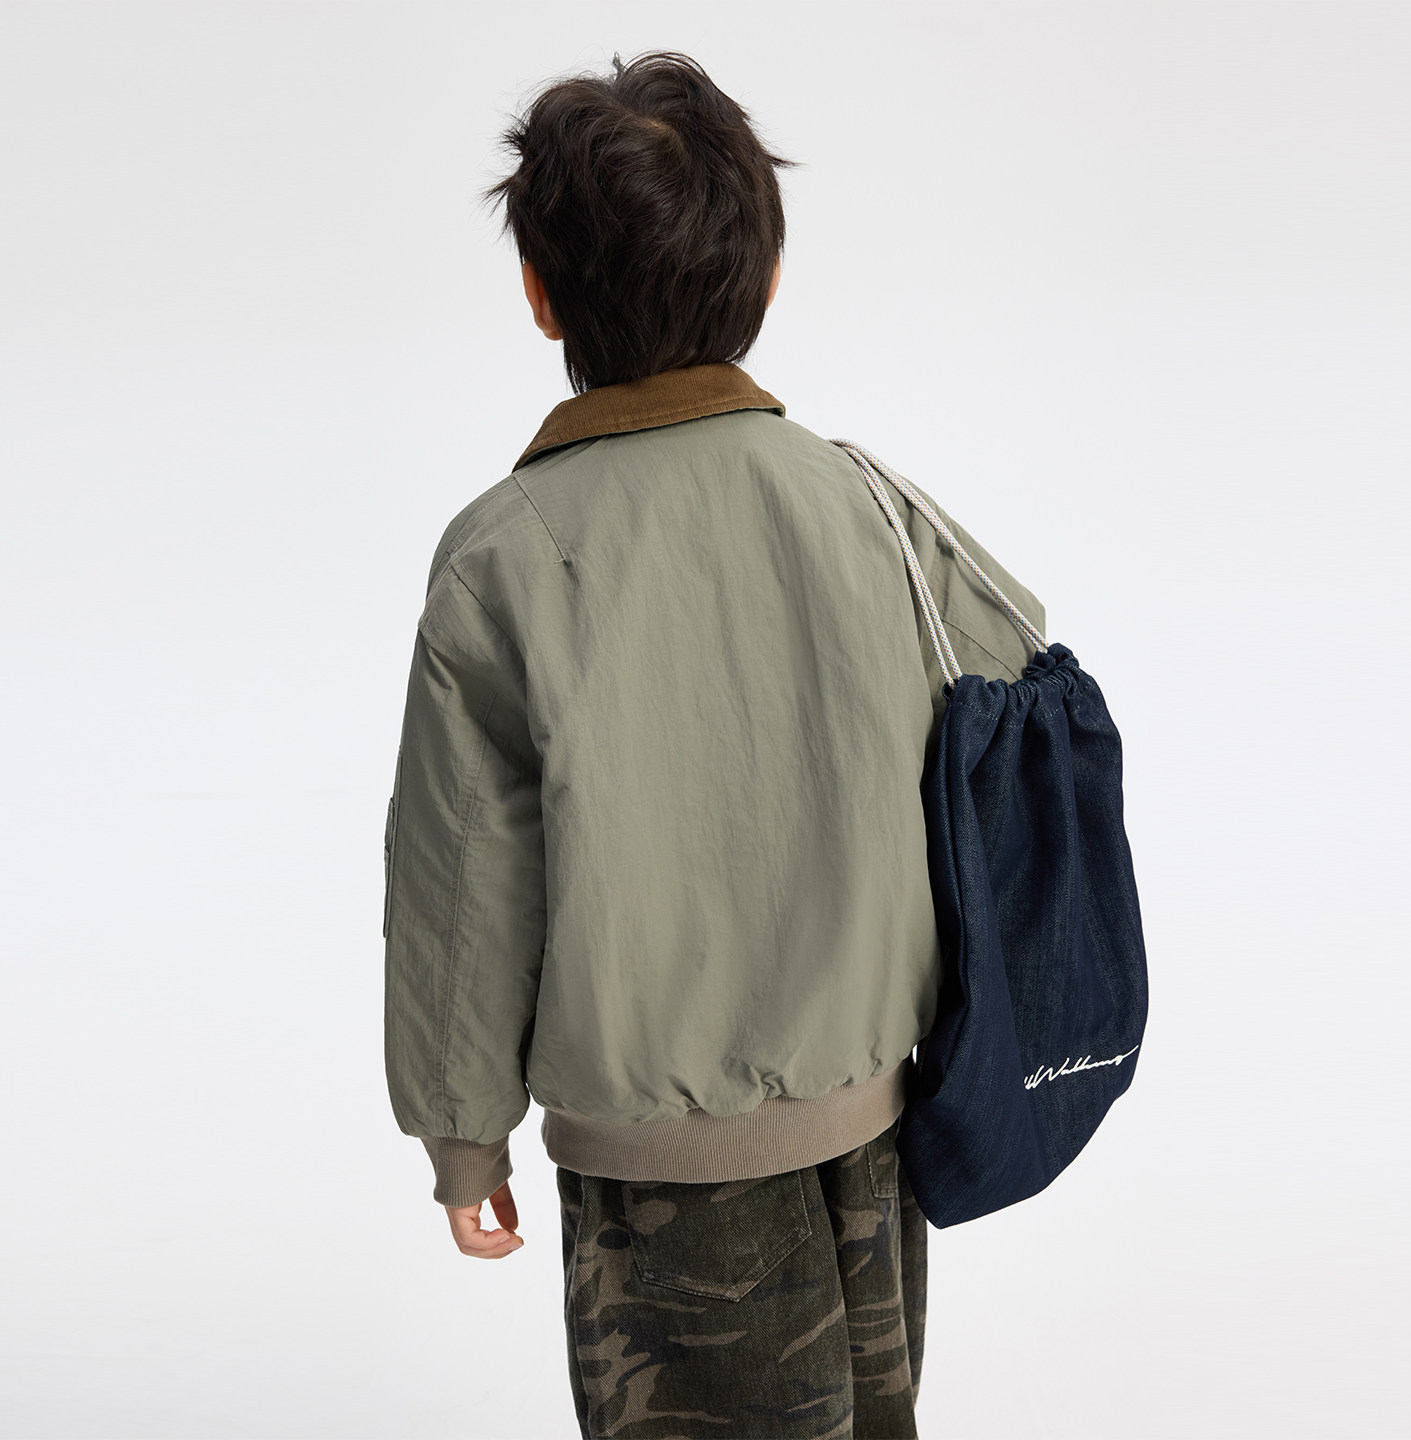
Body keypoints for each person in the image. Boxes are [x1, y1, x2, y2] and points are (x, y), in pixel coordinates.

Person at [382, 49, 1044, 1439]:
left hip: (654, 1172)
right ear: (770, 277)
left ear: (539, 293)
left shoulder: (502, 556)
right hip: (877, 1130)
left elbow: (465, 879)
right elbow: (1014, 693)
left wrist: (461, 1132)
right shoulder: (866, 504)